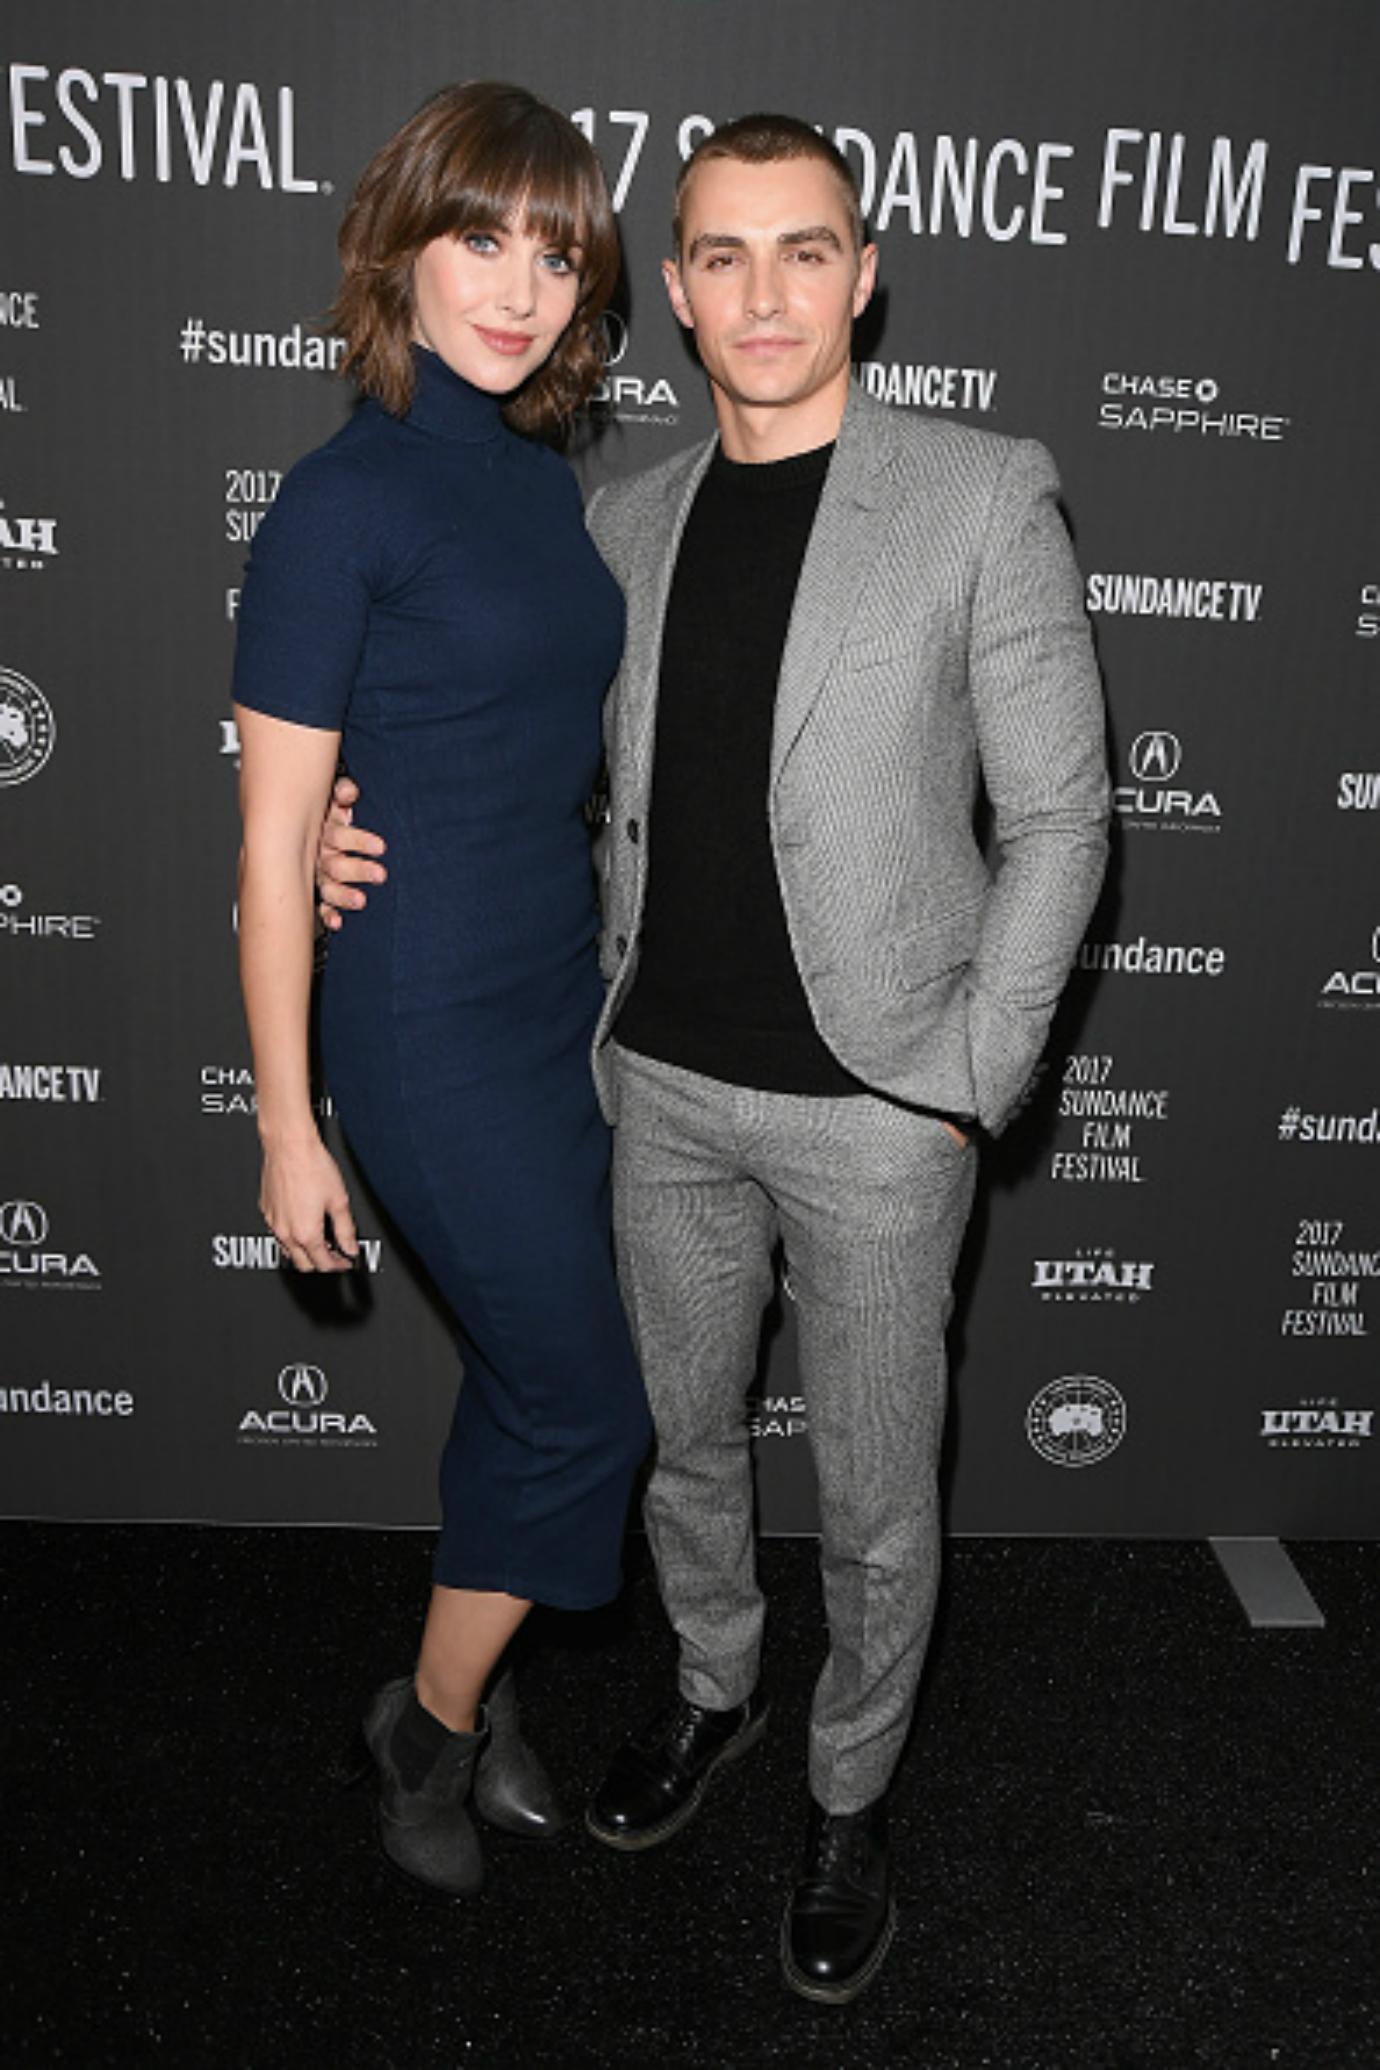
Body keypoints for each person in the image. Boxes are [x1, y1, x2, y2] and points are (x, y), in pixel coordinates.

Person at [320, 113, 1108, 1998]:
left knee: (876, 1485)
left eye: (806, 250)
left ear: (866, 270)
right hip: (652, 1085)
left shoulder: (982, 493)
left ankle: (851, 1790)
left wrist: (963, 1084)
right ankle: (712, 1689)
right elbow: (492, 731)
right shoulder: (620, 520)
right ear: (671, 292)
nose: (767, 292)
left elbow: (1064, 823)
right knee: (678, 1446)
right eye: (725, 258)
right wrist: (355, 817)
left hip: (879, 1105)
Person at [231, 81, 651, 1902]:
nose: (518, 284)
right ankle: (430, 1721)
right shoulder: (337, 503)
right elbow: (270, 850)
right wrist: (281, 1118)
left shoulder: (538, 476)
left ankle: (454, 1696)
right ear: (396, 242)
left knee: (521, 1373)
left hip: (559, 999)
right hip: (419, 1027)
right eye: (481, 236)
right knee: (589, 1401)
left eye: (555, 250)